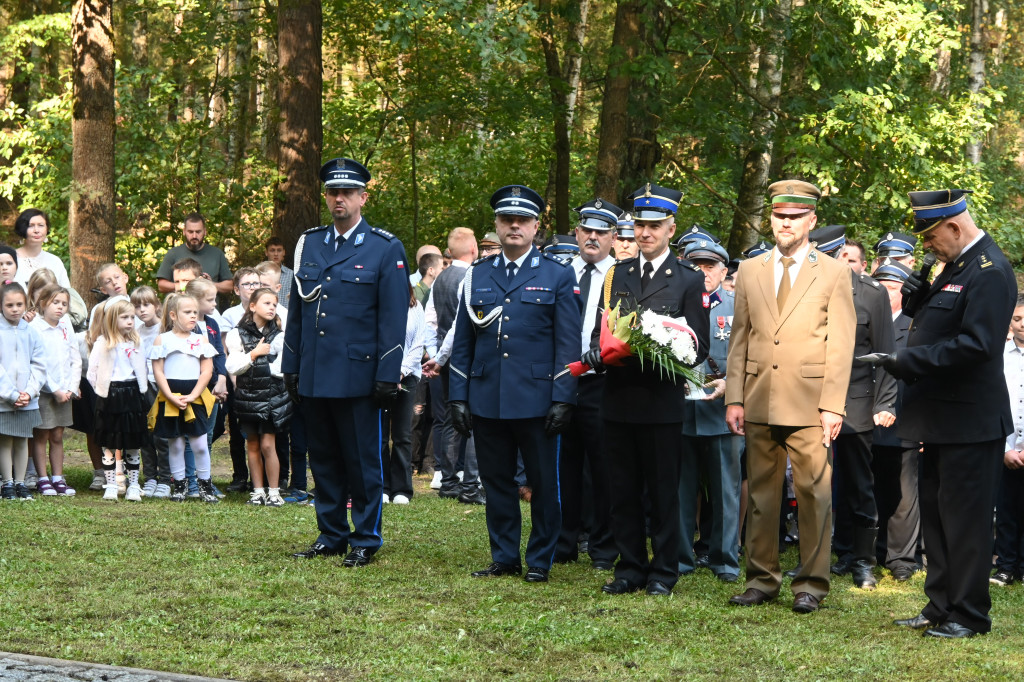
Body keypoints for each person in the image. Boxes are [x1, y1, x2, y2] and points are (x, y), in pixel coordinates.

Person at [883, 189, 1016, 638]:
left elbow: (978, 345)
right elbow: (941, 324)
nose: (927, 246)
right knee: (938, 521)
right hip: (940, 419)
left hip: (971, 422)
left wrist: (909, 361)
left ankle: (970, 614)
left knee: (967, 524)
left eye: (931, 236)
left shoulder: (990, 271)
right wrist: (918, 300)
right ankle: (940, 605)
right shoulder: (956, 266)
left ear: (955, 227)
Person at [725, 179, 855, 614]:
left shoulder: (834, 272)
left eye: (795, 217)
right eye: (780, 216)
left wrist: (833, 405)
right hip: (760, 399)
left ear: (811, 221)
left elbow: (841, 343)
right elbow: (740, 339)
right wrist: (735, 399)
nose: (786, 223)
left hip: (810, 403)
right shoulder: (750, 269)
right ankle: (761, 579)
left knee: (815, 496)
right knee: (762, 497)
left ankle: (811, 585)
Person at [448, 184, 580, 583]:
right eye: (508, 219)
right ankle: (504, 556)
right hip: (488, 397)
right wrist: (458, 396)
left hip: (538, 398)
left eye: (523, 220)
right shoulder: (477, 275)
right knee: (496, 482)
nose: (515, 226)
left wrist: (563, 397)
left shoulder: (557, 275)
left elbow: (568, 342)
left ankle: (540, 558)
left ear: (536, 226)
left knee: (543, 483)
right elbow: (464, 339)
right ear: (497, 225)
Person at [282, 157, 409, 566]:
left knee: (362, 461)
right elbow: (298, 310)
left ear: (362, 197)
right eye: (333, 192)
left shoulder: (385, 247)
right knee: (324, 459)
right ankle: (331, 533)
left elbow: (393, 319)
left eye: (347, 192)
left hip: (360, 374)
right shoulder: (312, 243)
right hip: (317, 372)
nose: (339, 199)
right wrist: (291, 364)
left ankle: (366, 538)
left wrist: (388, 373)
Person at [585, 182, 710, 596]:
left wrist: (665, 343)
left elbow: (700, 347)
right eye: (639, 225)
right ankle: (630, 568)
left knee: (662, 492)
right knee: (622, 489)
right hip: (618, 399)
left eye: (654, 226)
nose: (645, 233)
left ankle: (663, 571)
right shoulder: (616, 273)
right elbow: (600, 330)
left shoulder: (689, 280)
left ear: (671, 229)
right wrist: (598, 352)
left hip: (660, 402)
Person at [812, 228, 896, 591]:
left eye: (846, 256)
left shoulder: (872, 293)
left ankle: (863, 561)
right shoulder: (808, 286)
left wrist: (885, 402)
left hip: (856, 403)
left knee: (859, 485)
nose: (840, 261)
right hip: (811, 401)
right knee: (815, 483)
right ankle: (831, 554)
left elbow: (886, 353)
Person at [555, 198, 621, 569]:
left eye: (601, 232)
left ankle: (602, 547)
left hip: (603, 382)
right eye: (587, 230)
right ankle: (564, 542)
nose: (593, 237)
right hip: (564, 379)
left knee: (603, 468)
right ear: (577, 233)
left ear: (613, 237)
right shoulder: (561, 272)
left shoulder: (622, 276)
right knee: (564, 464)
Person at [679, 239, 742, 583]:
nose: (702, 272)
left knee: (725, 492)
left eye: (709, 266)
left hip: (723, 411)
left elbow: (752, 355)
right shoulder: (673, 304)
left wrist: (733, 384)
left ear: (723, 271)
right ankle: (679, 557)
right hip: (682, 413)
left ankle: (725, 560)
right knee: (680, 490)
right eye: (695, 265)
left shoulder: (737, 306)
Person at [422, 227, 482, 504]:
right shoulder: (471, 277)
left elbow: (430, 322)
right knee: (470, 417)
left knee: (447, 418)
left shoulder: (439, 279)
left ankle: (447, 480)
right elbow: (460, 326)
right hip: (462, 357)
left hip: (443, 359)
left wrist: (434, 356)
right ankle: (469, 483)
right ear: (473, 249)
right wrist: (442, 357)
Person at [869, 259, 921, 581]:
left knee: (904, 495)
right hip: (864, 423)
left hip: (904, 423)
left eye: (890, 289)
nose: (883, 295)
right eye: (879, 288)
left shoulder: (915, 327)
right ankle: (866, 551)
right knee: (869, 491)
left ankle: (901, 558)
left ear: (903, 292)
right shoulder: (864, 323)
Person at [150, 293, 219, 503]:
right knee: (176, 444)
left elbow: (207, 371)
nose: (192, 317)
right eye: (187, 312)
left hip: (194, 396)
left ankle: (204, 485)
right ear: (173, 315)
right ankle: (179, 486)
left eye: (195, 313)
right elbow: (158, 371)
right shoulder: (163, 339)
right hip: (170, 397)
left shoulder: (201, 340)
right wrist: (170, 396)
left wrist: (193, 395)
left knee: (199, 443)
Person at [226, 287, 292, 507]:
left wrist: (254, 364)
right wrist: (254, 354)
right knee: (252, 445)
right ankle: (257, 491)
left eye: (274, 304)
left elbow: (281, 368)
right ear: (252, 306)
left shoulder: (281, 335)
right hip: (248, 396)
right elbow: (233, 366)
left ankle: (274, 492)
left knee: (267, 445)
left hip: (272, 397)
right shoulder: (237, 334)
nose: (272, 307)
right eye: (266, 303)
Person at [87, 299, 150, 501]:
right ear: (113, 319)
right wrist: (102, 389)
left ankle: (133, 485)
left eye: (132, 317)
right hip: (110, 395)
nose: (130, 321)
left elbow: (142, 368)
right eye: (125, 317)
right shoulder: (103, 343)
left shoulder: (136, 342)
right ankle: (111, 484)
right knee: (109, 443)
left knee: (132, 442)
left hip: (132, 394)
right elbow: (92, 372)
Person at [29, 284, 81, 496]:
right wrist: (56, 389)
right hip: (45, 391)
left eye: (64, 304)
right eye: (55, 303)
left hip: (65, 391)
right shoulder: (36, 328)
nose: (60, 307)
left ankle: (58, 478)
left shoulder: (65, 327)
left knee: (58, 435)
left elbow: (75, 359)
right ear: (43, 304)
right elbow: (38, 363)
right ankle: (42, 478)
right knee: (42, 434)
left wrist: (71, 387)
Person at [381, 286, 428, 505]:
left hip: (406, 375)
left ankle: (401, 488)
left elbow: (419, 343)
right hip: (379, 376)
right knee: (379, 435)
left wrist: (401, 371)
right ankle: (381, 485)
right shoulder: (376, 303)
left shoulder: (415, 306)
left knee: (402, 434)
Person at [0, 282, 46, 500]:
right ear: (1, 306)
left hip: (27, 398)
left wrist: (30, 391)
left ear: (26, 304)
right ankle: (7, 483)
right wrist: (11, 394)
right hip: (4, 400)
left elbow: (39, 364)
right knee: (5, 440)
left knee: (22, 439)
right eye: (9, 305)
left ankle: (20, 482)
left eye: (19, 304)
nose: (15, 309)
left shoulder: (32, 332)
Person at [992, 294, 1024, 586]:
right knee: (1005, 510)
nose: (1022, 324)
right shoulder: (998, 356)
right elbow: (991, 402)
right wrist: (1004, 448)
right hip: (1005, 445)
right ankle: (1006, 565)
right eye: (1016, 319)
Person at [131, 286, 172, 499]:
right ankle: (150, 478)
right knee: (145, 435)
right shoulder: (136, 331)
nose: (142, 310)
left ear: (156, 305)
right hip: (141, 388)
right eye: (137, 306)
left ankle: (165, 479)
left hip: (160, 388)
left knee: (162, 436)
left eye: (146, 305)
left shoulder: (163, 330)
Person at [155, 213, 233, 295]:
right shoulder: (173, 253)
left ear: (205, 231)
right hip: (180, 306)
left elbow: (230, 285)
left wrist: (209, 284)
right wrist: (187, 286)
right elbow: (161, 285)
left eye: (198, 232)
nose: (194, 236)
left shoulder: (217, 254)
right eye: (190, 232)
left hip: (209, 306)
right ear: (184, 232)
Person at [12, 209, 71, 288]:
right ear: (23, 229)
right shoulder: (10, 259)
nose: (36, 230)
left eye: (41, 225)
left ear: (47, 229)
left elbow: (66, 293)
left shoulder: (55, 261)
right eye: (31, 226)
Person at [264, 237, 293, 307]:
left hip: (286, 316)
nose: (276, 254)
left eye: (279, 250)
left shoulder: (292, 275)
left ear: (284, 252)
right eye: (272, 250)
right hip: (264, 316)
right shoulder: (258, 274)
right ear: (266, 253)